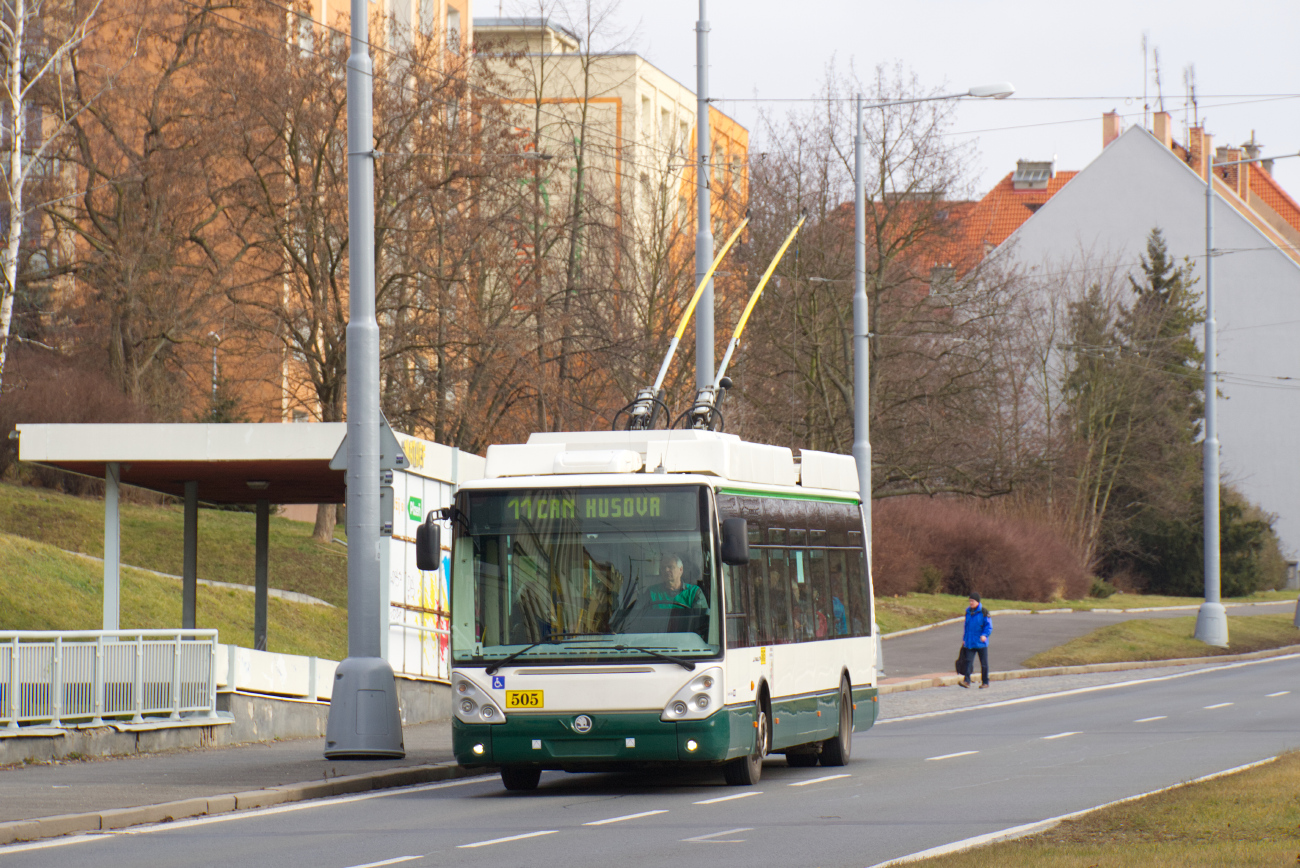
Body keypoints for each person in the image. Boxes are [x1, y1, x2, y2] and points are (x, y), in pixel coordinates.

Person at [960, 592, 992, 688]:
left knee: (984, 664)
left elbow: (988, 626)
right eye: (970, 601)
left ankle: (985, 682)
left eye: (972, 601)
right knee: (968, 662)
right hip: (970, 642)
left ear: (977, 601)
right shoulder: (968, 612)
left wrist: (984, 635)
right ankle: (966, 681)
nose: (971, 603)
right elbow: (966, 627)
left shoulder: (984, 612)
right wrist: (964, 639)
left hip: (981, 643)